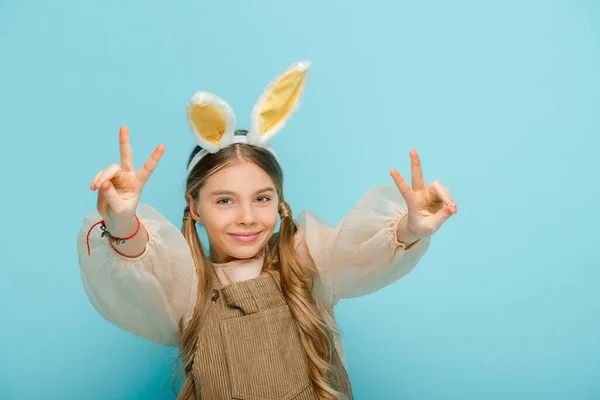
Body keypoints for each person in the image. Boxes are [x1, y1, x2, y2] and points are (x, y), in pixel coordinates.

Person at [77, 61, 458, 400]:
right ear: (194, 208)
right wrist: (123, 221)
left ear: (279, 201)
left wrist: (411, 226)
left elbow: (361, 251)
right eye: (224, 201)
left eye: (261, 199)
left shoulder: (305, 260)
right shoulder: (186, 286)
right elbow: (141, 264)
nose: (247, 217)